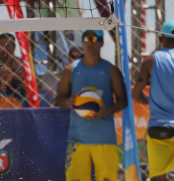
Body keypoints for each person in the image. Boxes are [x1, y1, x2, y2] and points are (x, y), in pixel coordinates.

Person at [55, 29, 127, 181]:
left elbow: (123, 101)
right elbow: (59, 100)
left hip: (104, 139)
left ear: (101, 42)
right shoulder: (71, 70)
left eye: (94, 39)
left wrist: (105, 112)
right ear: (82, 42)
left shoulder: (111, 70)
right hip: (77, 140)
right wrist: (68, 101)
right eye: (86, 38)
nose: (89, 42)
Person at [133, 20, 174, 181]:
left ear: (162, 38)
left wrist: (152, 101)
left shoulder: (150, 60)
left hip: (159, 127)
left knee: (158, 177)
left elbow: (135, 94)